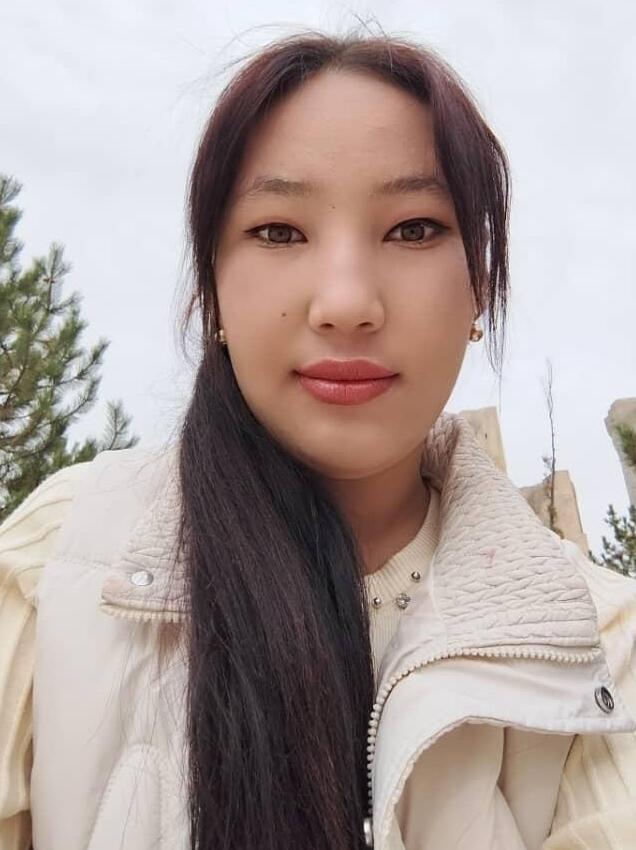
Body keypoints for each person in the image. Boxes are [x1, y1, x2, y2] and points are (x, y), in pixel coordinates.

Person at [1, 29, 635, 850]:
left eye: (413, 228)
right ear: (214, 290)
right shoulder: (59, 568)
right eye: (278, 232)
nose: (346, 304)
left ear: (478, 285)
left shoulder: (601, 648)